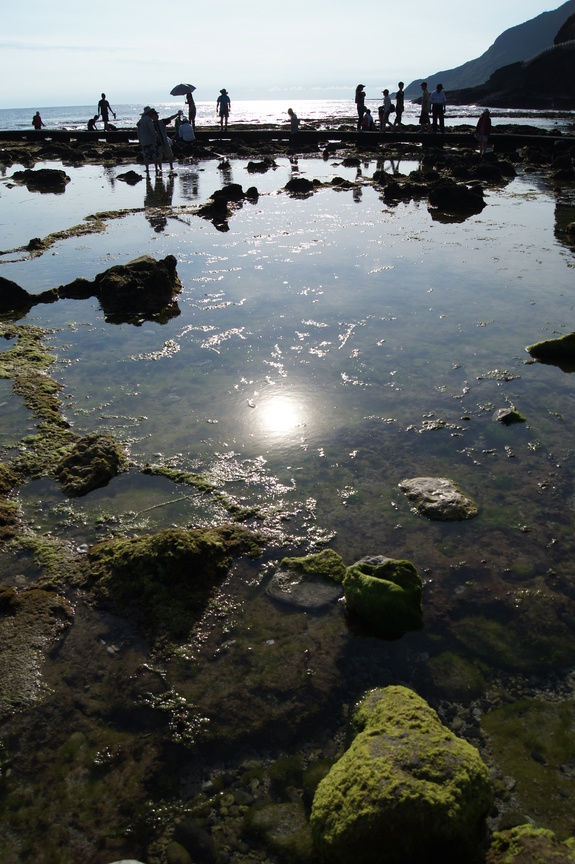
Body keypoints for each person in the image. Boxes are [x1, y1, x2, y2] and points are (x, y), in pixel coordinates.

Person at [152, 109, 179, 175]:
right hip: (157, 142)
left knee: (170, 155)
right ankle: (160, 168)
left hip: (165, 141)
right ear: (152, 116)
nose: (157, 116)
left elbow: (170, 118)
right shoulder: (151, 124)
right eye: (155, 115)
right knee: (159, 157)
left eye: (157, 115)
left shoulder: (162, 121)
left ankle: (171, 167)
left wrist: (176, 114)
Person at [137, 106, 161, 175]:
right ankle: (156, 168)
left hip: (144, 141)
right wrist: (157, 136)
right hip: (151, 140)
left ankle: (147, 169)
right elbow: (152, 131)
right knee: (154, 155)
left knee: (146, 156)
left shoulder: (141, 121)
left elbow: (139, 131)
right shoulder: (149, 120)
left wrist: (140, 140)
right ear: (149, 113)